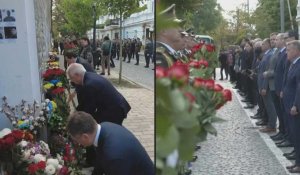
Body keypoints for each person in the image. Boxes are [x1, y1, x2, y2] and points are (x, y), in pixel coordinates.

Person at [66, 111, 154, 175]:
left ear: (85, 136)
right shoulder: (102, 128)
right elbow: (100, 161)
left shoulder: (113, 156)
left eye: (77, 140)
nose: (78, 144)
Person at [66, 63, 131, 125]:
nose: (72, 81)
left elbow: (89, 109)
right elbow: (85, 103)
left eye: (71, 78)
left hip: (115, 110)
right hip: (111, 106)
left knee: (105, 129)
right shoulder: (88, 75)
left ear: (77, 75)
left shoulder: (89, 85)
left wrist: (75, 118)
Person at [282, 40, 300, 173]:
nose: (286, 52)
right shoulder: (292, 64)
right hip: (289, 104)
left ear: (296, 51)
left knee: (298, 135)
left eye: (288, 50)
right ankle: (297, 162)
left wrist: (295, 105)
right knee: (294, 135)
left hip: (295, 107)